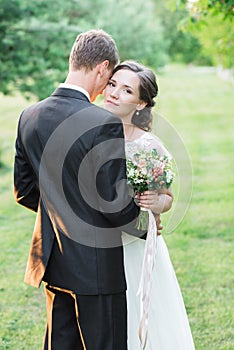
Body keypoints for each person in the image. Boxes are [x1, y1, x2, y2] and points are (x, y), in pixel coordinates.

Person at [14, 30, 145, 350]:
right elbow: (115, 205)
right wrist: (146, 224)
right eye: (109, 78)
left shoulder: (29, 116)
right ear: (102, 68)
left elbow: (24, 190)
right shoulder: (103, 122)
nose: (107, 89)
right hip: (97, 270)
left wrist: (62, 209)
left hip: (54, 264)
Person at [104, 61, 195, 349]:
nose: (115, 93)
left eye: (127, 89)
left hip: (137, 247)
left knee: (141, 314)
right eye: (112, 84)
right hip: (100, 243)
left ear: (141, 103)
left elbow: (167, 197)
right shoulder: (89, 131)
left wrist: (158, 202)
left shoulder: (148, 145)